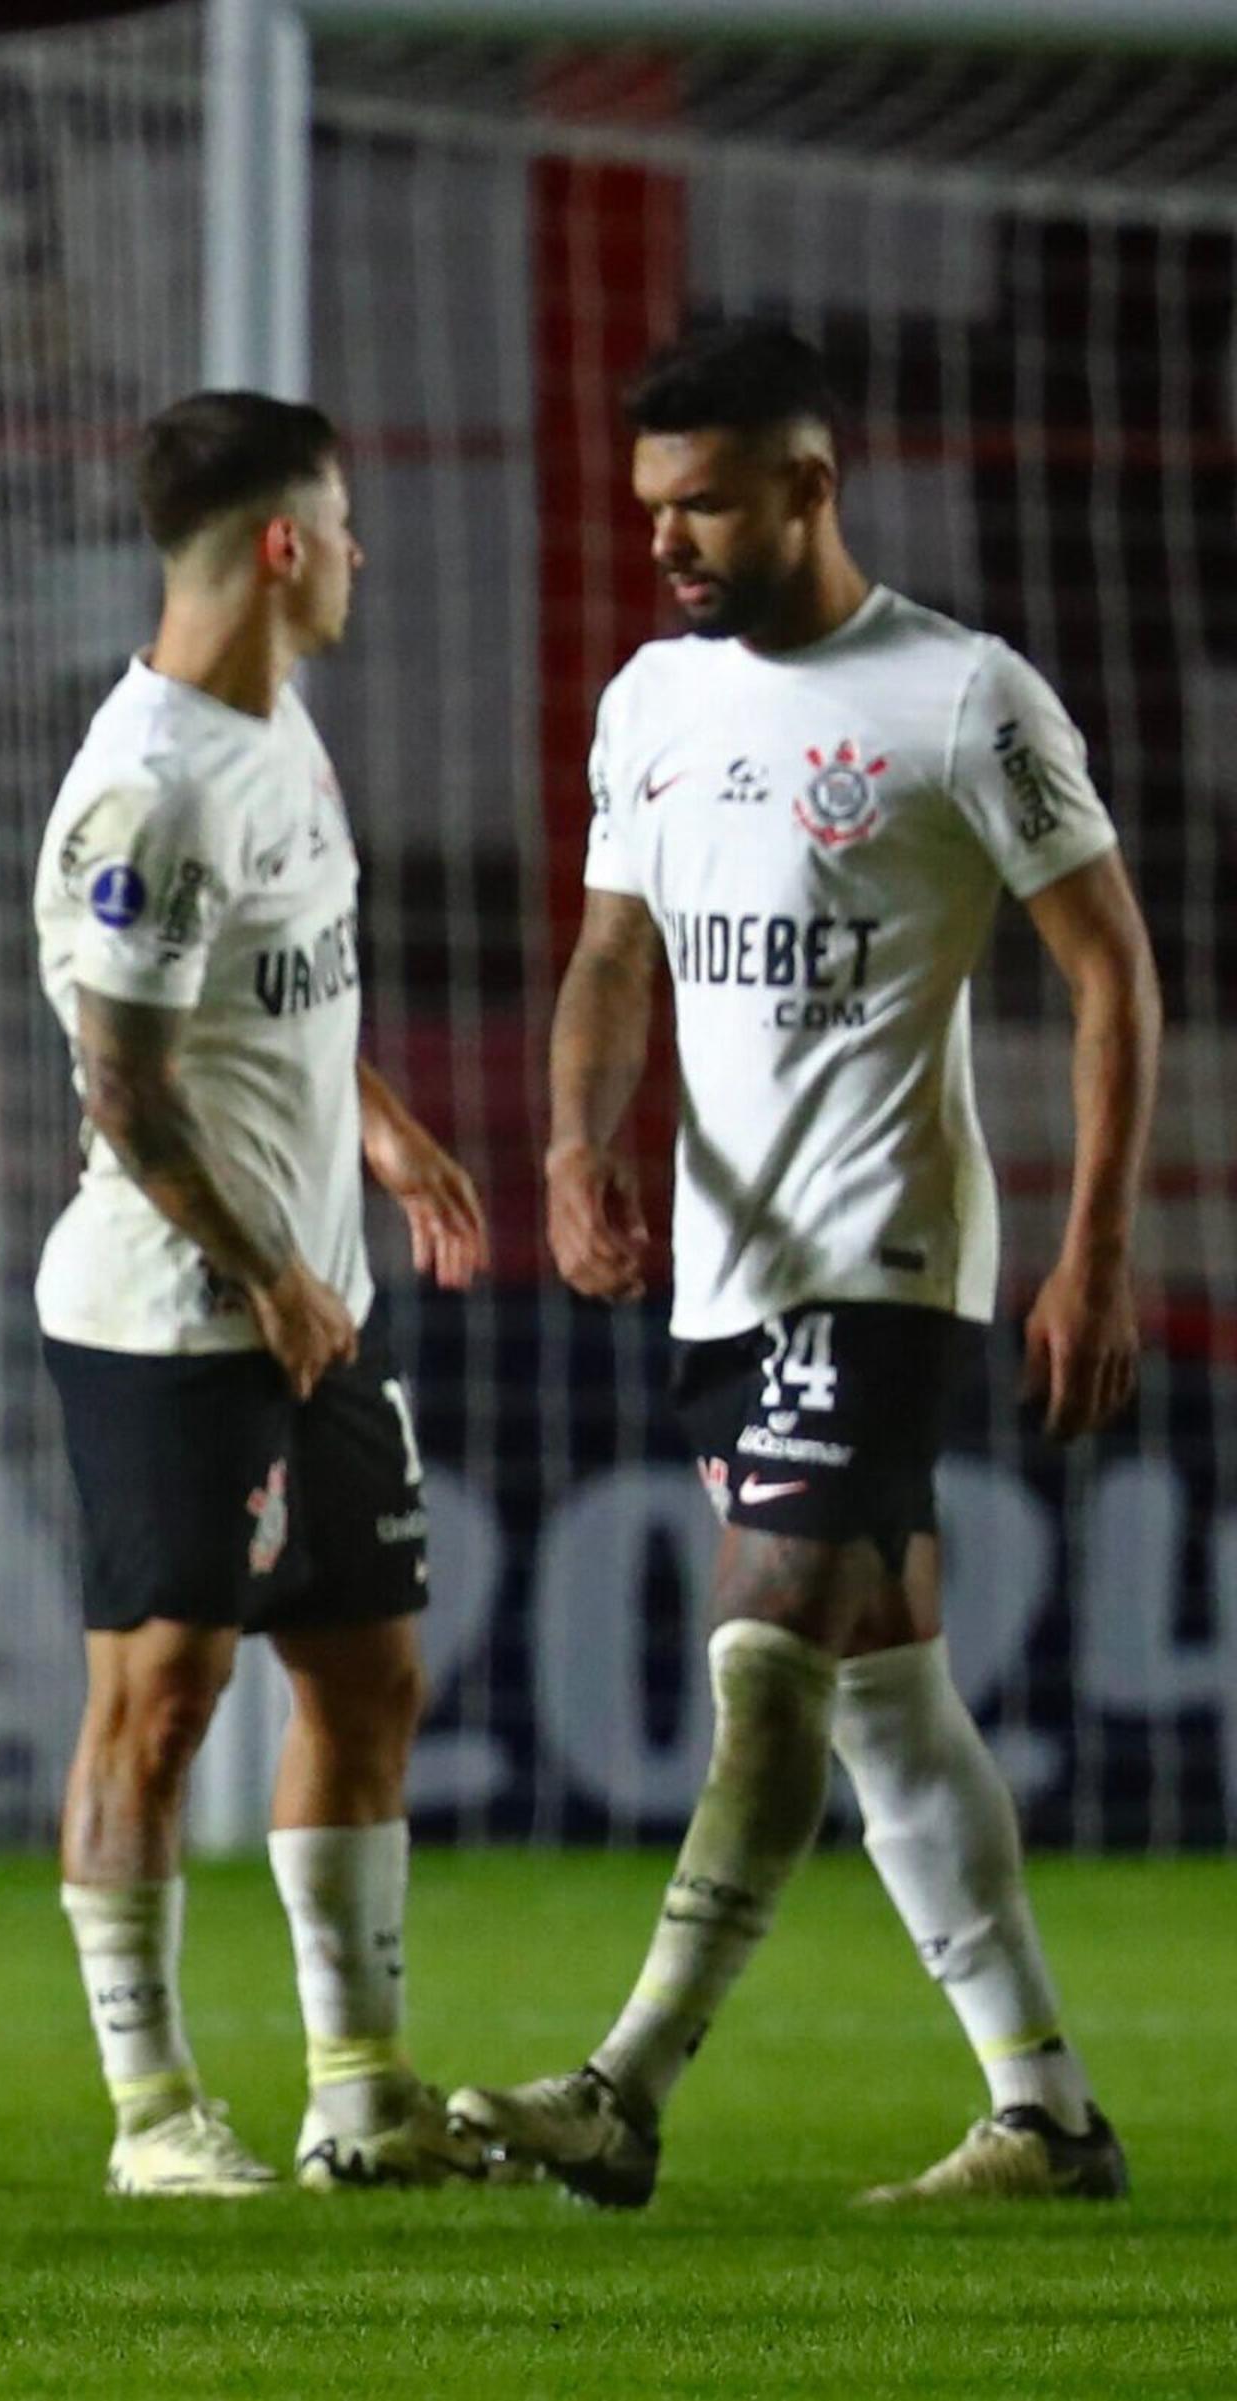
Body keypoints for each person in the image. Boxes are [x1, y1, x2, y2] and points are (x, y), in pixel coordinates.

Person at [453, 323, 1154, 2208]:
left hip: (887, 1253)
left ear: (810, 487)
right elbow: (616, 957)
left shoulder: (960, 697)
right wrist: (575, 1143)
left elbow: (1110, 969)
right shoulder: (653, 705)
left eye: (704, 508)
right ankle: (1047, 2111)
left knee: (762, 1663)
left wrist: (1096, 1244)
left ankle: (627, 2085)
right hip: (719, 1270)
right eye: (652, 511)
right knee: (883, 1697)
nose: (668, 544)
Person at [30, 392, 491, 2197]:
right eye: (348, 525)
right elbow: (123, 1087)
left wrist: (378, 1133)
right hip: (172, 1315)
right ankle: (152, 2115)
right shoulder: (146, 786)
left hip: (315, 1299)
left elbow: (287, 993)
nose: (365, 556)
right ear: (284, 546)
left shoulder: (278, 728)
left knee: (368, 1673)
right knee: (161, 1693)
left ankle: (358, 2090)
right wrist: (270, 1272)